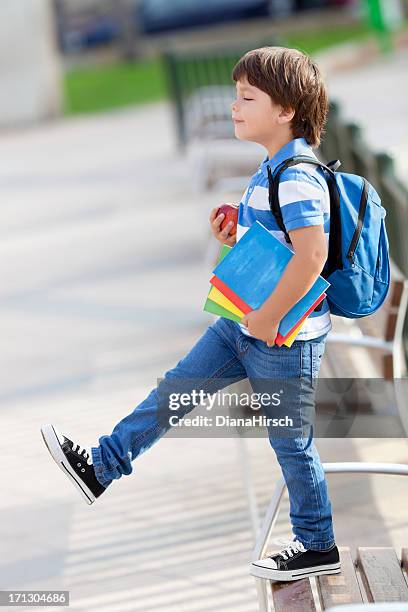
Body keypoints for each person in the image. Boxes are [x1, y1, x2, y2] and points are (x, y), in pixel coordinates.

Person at [41, 46, 341, 582]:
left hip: (283, 337)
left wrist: (270, 318)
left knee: (291, 442)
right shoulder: (271, 169)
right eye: (236, 96)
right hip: (244, 323)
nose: (235, 106)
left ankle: (318, 542)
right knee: (176, 389)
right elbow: (276, 248)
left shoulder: (297, 176)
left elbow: (312, 255)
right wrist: (232, 236)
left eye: (248, 98)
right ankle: (100, 467)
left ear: (286, 111)